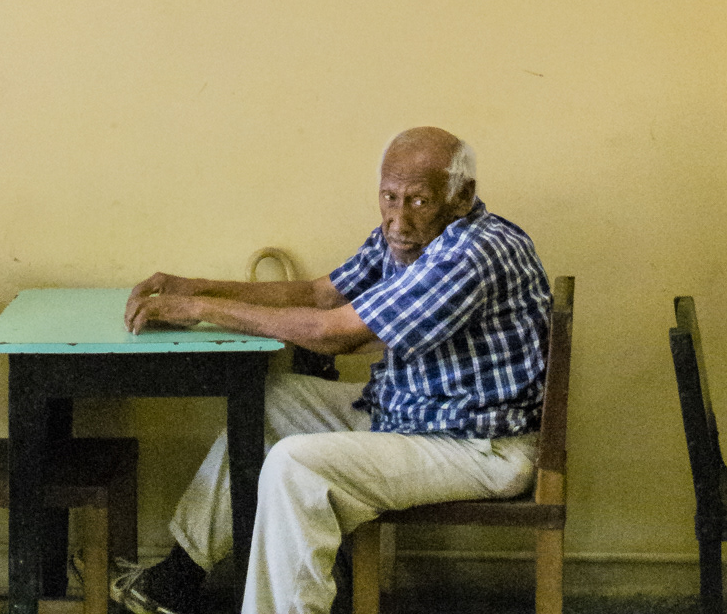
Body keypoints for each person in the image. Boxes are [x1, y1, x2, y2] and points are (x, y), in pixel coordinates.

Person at [110, 125, 552, 614]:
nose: (398, 219)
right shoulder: (409, 235)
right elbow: (321, 295)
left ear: (461, 196)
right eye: (389, 197)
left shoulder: (470, 253)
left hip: (479, 447)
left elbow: (334, 333)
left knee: (295, 466)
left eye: (418, 201)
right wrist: (191, 286)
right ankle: (181, 576)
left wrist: (200, 308)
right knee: (268, 401)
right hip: (414, 415)